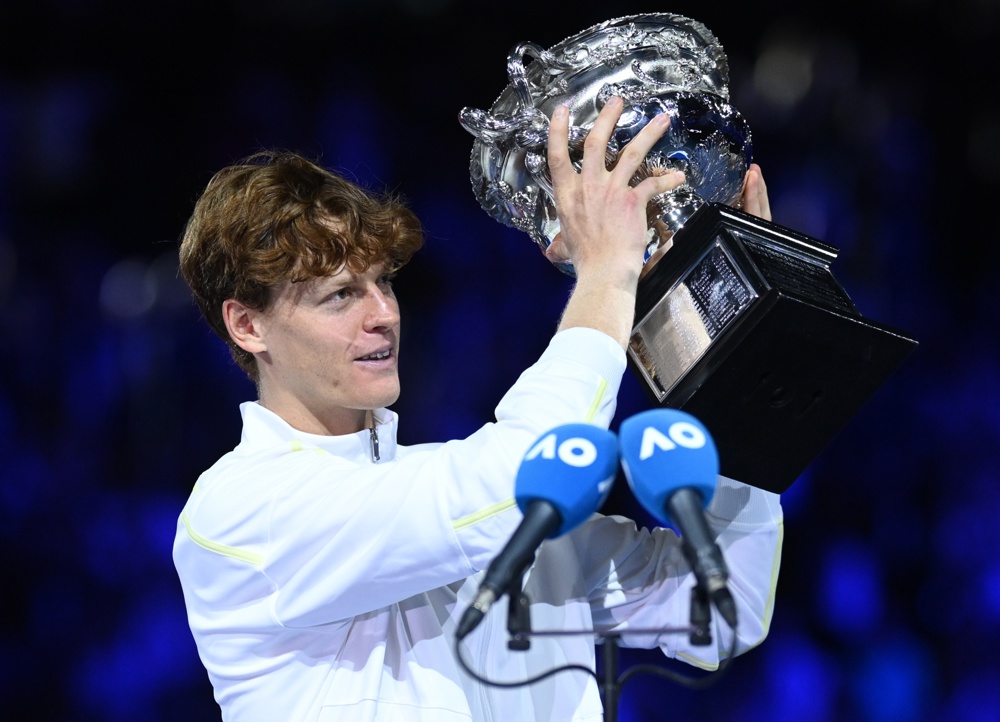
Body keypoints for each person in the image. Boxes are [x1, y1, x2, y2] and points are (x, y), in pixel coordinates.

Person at [172, 97, 781, 721]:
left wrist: (739, 342)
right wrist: (605, 276)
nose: (383, 315)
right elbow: (515, 486)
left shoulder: (457, 494)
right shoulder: (241, 512)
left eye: (383, 281)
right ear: (248, 325)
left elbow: (721, 608)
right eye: (340, 296)